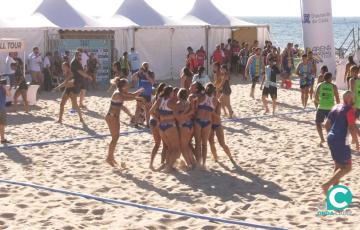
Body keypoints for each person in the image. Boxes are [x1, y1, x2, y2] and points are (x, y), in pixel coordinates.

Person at [322, 91, 358, 196]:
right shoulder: (350, 110)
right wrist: (356, 141)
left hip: (331, 138)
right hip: (341, 140)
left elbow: (326, 125)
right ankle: (326, 185)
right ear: (350, 99)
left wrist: (331, 135)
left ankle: (334, 191)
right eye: (353, 98)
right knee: (347, 167)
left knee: (338, 165)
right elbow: (351, 127)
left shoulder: (335, 107)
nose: (354, 100)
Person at [105, 78, 144, 167]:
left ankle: (110, 157)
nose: (129, 86)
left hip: (114, 117)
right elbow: (127, 98)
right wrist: (138, 97)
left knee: (115, 138)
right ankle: (109, 158)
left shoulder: (121, 92)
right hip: (111, 117)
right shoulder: (117, 94)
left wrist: (139, 91)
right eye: (127, 85)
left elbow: (131, 95)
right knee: (114, 138)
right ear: (123, 87)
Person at [150, 86, 181, 172]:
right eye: (172, 92)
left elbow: (150, 111)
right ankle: (169, 167)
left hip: (161, 127)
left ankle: (168, 165)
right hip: (170, 126)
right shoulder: (171, 102)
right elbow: (176, 115)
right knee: (176, 148)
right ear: (170, 93)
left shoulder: (159, 100)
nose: (173, 94)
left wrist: (158, 119)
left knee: (169, 147)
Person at [194, 83, 218, 168]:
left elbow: (195, 108)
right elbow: (212, 111)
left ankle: (198, 162)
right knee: (204, 144)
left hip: (198, 121)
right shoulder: (215, 100)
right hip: (207, 122)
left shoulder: (201, 96)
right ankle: (203, 163)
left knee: (197, 143)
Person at [208, 93, 236, 165]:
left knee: (222, 143)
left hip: (217, 124)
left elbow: (218, 116)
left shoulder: (218, 102)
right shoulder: (207, 101)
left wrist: (210, 111)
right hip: (210, 124)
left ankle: (230, 157)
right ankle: (216, 158)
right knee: (211, 142)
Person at [314, 72, 340, 146]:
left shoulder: (320, 85)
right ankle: (330, 139)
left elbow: (315, 97)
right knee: (330, 125)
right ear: (330, 78)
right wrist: (337, 108)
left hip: (321, 107)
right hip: (330, 108)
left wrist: (320, 103)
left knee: (318, 123)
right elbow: (337, 98)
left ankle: (322, 139)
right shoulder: (333, 86)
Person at [175, 88, 196, 169]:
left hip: (183, 126)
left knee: (182, 147)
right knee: (186, 145)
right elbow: (192, 112)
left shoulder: (178, 103)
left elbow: (176, 116)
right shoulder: (188, 103)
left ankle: (189, 164)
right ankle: (193, 162)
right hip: (190, 125)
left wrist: (183, 115)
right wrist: (186, 114)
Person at [149, 83, 167, 170]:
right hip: (158, 122)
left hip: (152, 121)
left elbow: (150, 111)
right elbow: (152, 111)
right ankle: (162, 163)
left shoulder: (155, 98)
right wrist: (159, 120)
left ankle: (151, 163)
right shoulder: (162, 99)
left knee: (157, 144)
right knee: (164, 145)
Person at [132, 62, 155, 128]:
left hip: (147, 93)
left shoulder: (151, 73)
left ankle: (147, 123)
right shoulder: (140, 73)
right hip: (140, 93)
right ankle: (136, 123)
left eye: (146, 66)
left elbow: (152, 82)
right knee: (138, 108)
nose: (145, 68)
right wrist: (137, 72)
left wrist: (146, 75)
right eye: (144, 66)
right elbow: (133, 78)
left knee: (147, 109)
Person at [0, 78, 11, 144]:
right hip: (2, 108)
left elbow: (9, 95)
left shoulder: (3, 88)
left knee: (2, 124)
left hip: (2, 108)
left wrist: (6, 88)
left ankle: (3, 139)